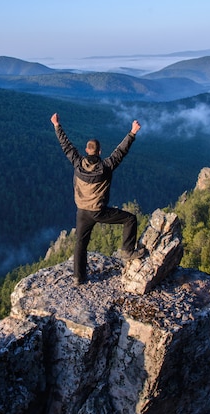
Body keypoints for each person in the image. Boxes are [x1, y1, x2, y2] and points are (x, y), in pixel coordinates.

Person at [51, 113, 146, 285]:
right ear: (100, 152)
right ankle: (127, 250)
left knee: (80, 243)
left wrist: (57, 125)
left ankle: (78, 277)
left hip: (82, 211)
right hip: (99, 211)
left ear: (87, 150)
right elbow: (121, 151)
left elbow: (66, 145)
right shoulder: (106, 167)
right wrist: (132, 133)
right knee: (130, 219)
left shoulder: (77, 163)